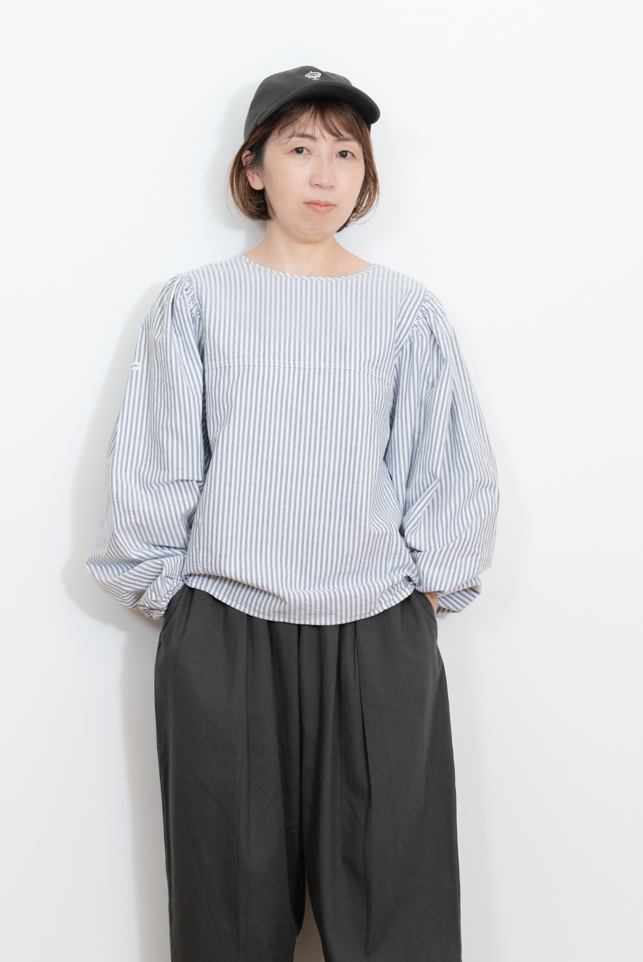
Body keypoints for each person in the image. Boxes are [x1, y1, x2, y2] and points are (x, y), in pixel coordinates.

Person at [86, 65, 499, 962]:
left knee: (394, 906)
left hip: (376, 630)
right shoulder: (196, 302)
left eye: (345, 153)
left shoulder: (403, 311)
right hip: (224, 630)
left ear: (366, 173)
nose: (324, 174)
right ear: (254, 166)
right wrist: (183, 608)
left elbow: (448, 468)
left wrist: (420, 601)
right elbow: (154, 462)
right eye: (300, 148)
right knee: (226, 908)